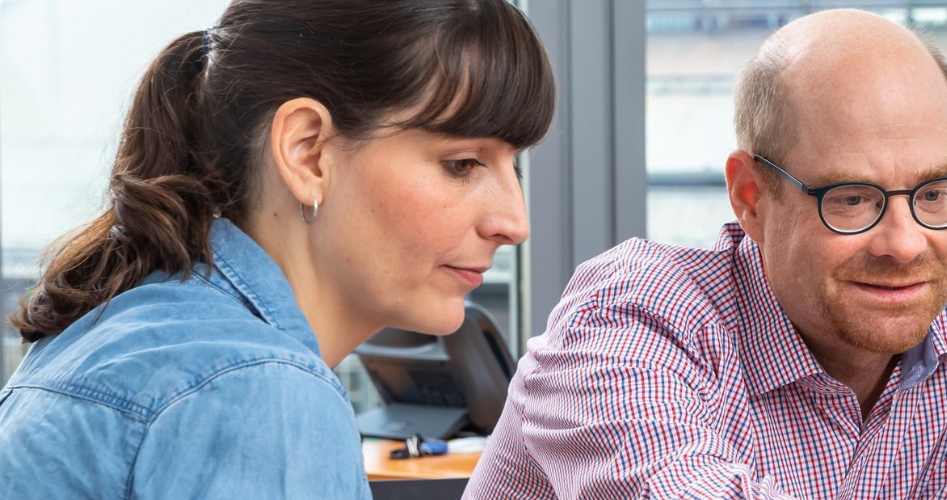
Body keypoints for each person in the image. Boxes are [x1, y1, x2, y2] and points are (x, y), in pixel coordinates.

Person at [465, 9, 947, 500]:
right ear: (751, 197)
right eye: (850, 199)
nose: (905, 244)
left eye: (935, 192)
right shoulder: (630, 316)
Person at [0, 1, 553, 497]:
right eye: (462, 164)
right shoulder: (256, 388)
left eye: (515, 166)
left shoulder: (136, 331)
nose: (514, 222)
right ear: (308, 153)